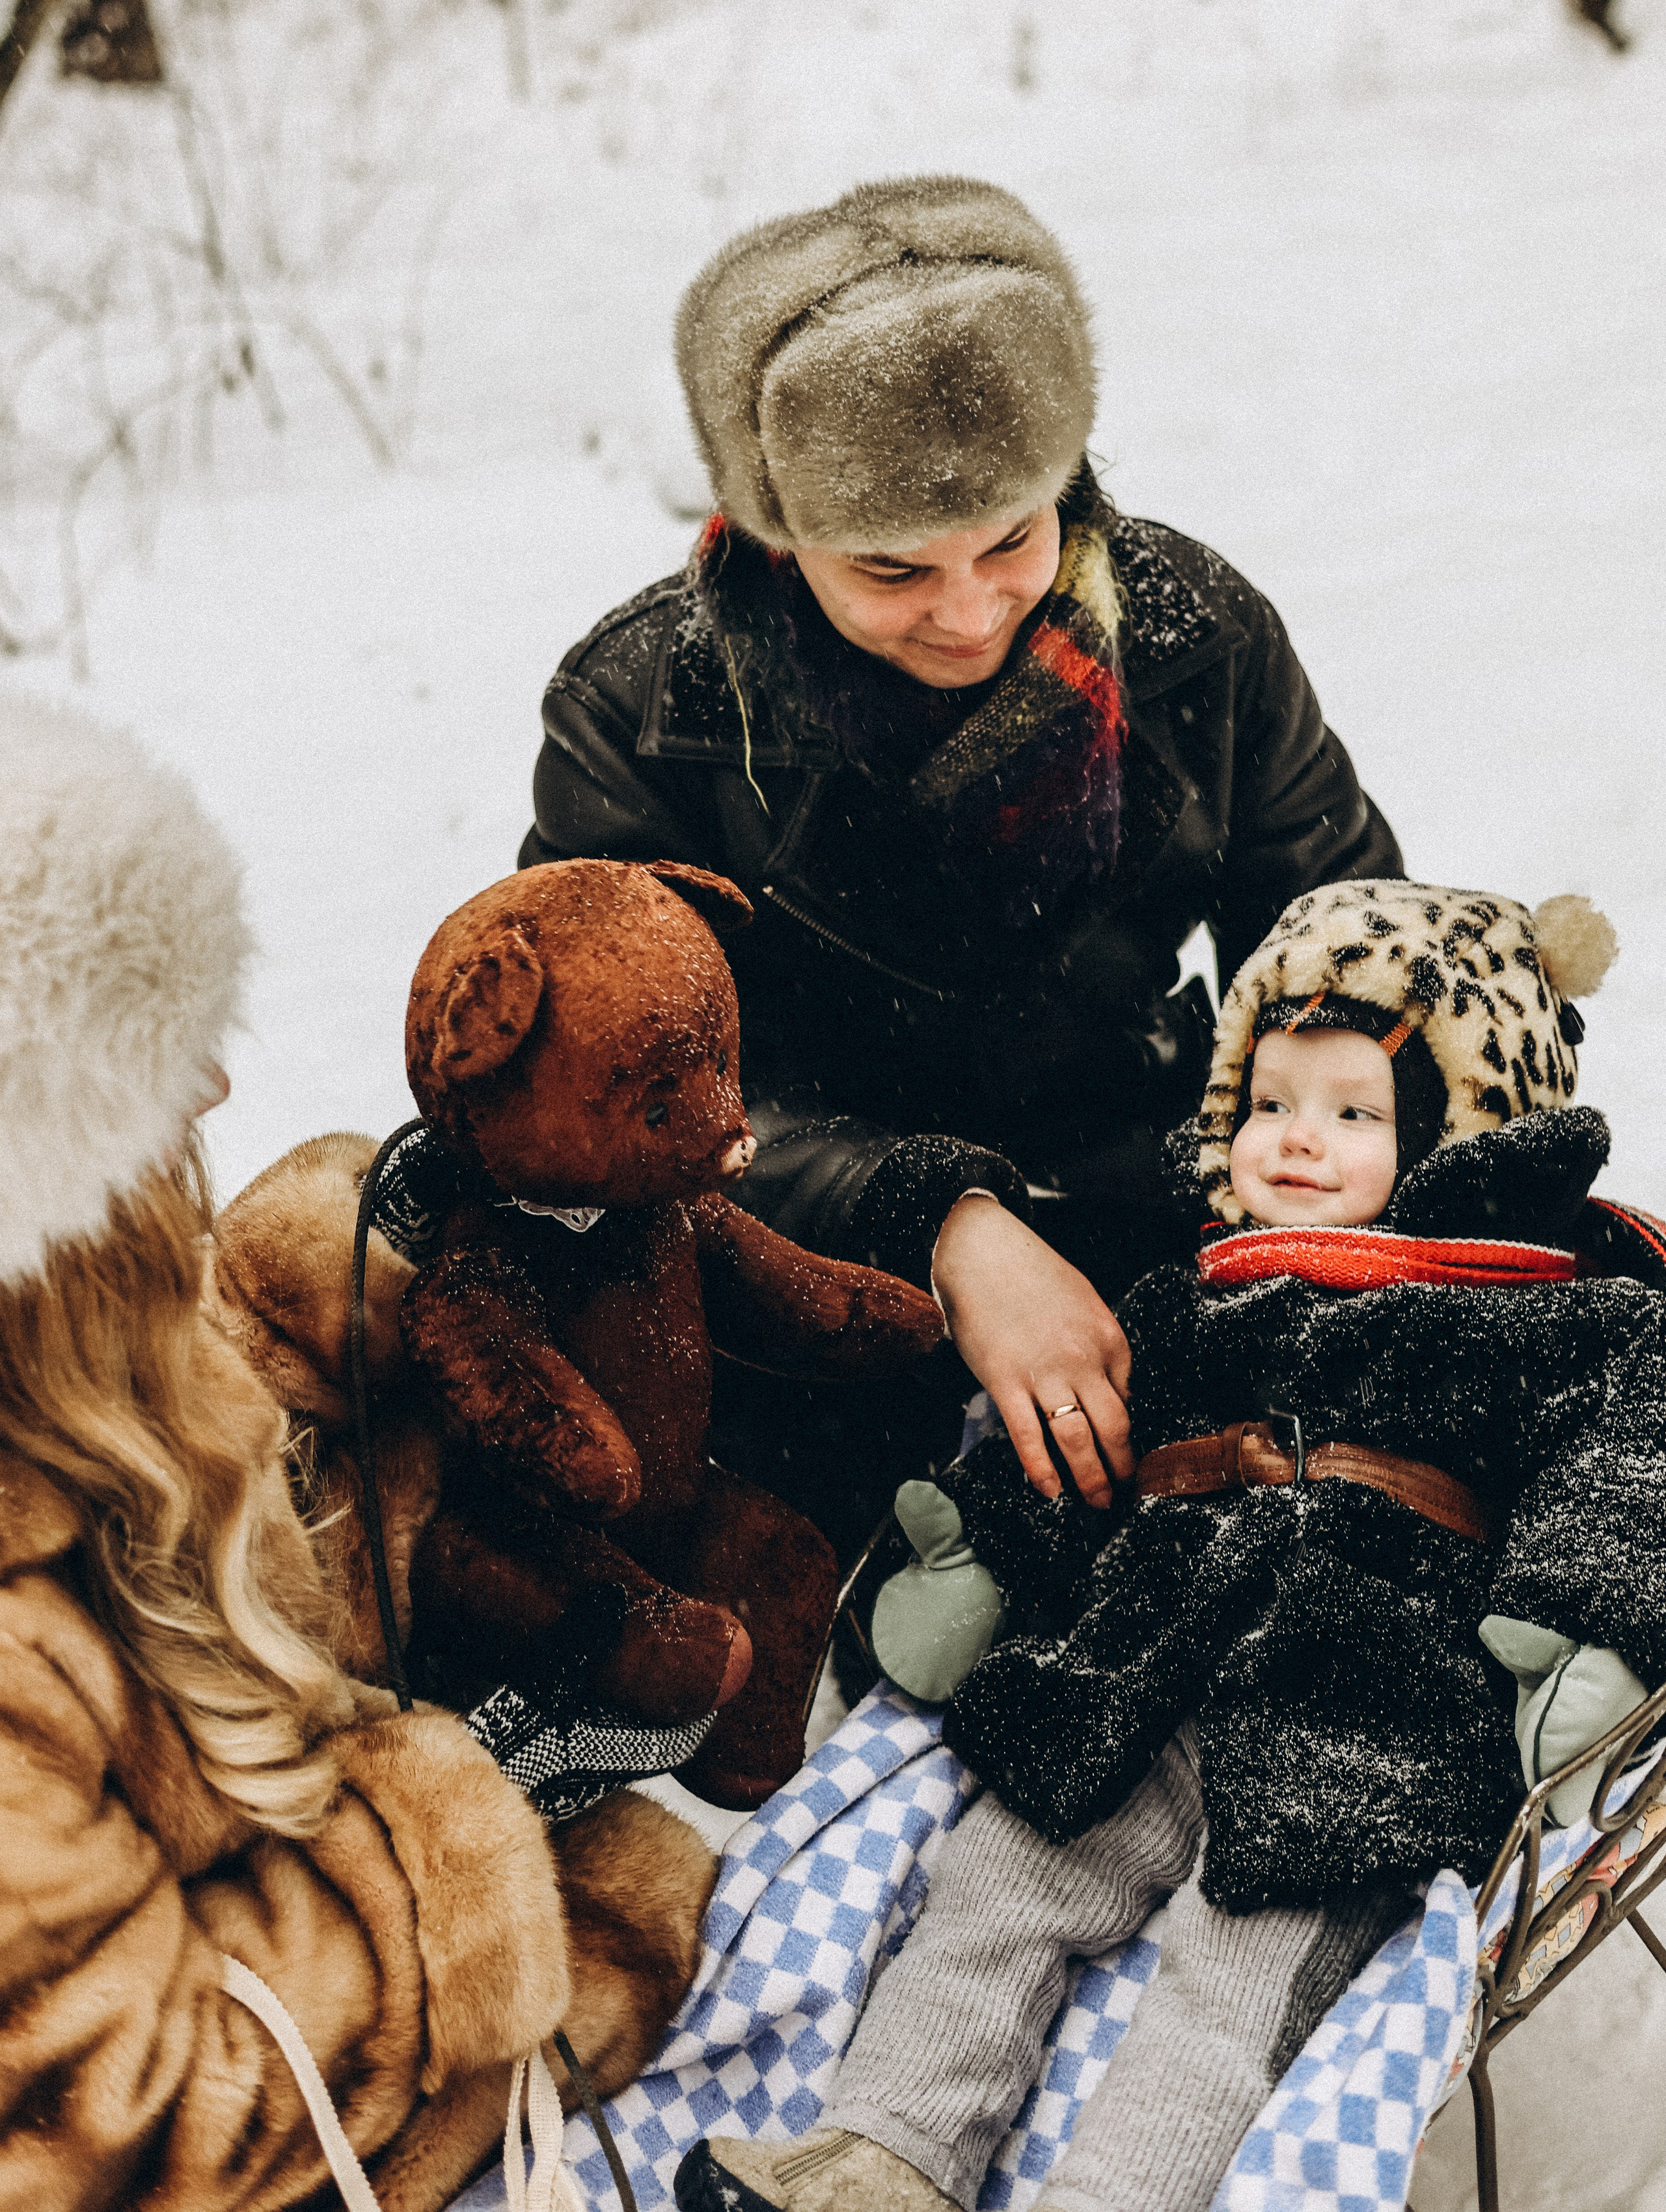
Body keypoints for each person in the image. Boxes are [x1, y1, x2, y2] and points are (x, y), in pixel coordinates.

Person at [674, 876, 1666, 2212]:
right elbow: (1091, 1444)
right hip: (1135, 1668)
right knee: (997, 1887)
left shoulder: (1545, 1315)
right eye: (1266, 1103)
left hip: (1363, 1705)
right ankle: (883, 2154)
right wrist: (987, 1556)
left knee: (1235, 1977)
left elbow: (1624, 1454)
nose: (1292, 1141)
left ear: (1458, 1135)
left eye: (1353, 1113)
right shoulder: (1190, 1296)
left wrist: (1578, 1619)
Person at [521, 174, 1402, 1560]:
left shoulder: (1196, 637)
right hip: (801, 1291)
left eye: (1010, 535)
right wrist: (943, 1216)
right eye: (890, 570)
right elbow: (609, 1095)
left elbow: (1340, 952)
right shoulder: (643, 718)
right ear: (771, 531)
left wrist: (1338, 1165)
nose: (970, 607)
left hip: (1156, 1214)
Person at [0, 697, 601, 2211]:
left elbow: (172, 1582)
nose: (213, 1091)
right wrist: (442, 1855)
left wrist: (322, 1334)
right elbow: (128, 2112)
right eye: (149, 1073)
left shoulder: (63, 1361)